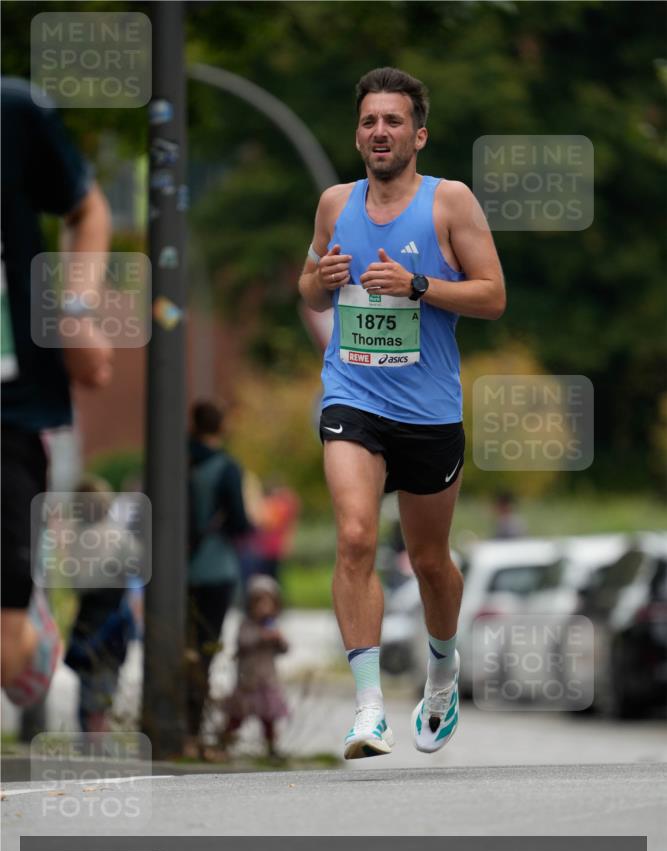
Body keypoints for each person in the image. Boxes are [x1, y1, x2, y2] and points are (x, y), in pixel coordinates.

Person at [298, 67, 505, 759]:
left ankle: (441, 674)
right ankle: (367, 711)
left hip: (428, 409)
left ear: (417, 134)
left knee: (428, 559)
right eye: (368, 122)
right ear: (356, 135)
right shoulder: (334, 204)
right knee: (355, 537)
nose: (378, 131)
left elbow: (491, 296)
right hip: (352, 395)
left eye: (391, 121)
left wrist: (418, 284)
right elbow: (309, 285)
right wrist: (320, 282)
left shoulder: (449, 202)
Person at [1, 77, 113, 706]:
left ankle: (27, 617)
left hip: (11, 408)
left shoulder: (15, 114)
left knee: (7, 654)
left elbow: (86, 207)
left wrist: (74, 312)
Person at [186, 400, 252, 756]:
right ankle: (193, 731)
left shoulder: (174, 459)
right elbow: (239, 522)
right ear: (220, 427)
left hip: (174, 570)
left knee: (180, 646)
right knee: (205, 649)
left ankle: (174, 727)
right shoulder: (226, 468)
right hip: (214, 567)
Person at [62, 477, 138, 732]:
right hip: (106, 614)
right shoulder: (109, 533)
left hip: (98, 614)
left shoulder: (77, 533)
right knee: (100, 678)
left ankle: (93, 732)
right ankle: (95, 733)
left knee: (94, 679)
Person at [220, 575, 289, 760]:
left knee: (268, 719)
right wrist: (261, 637)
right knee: (237, 716)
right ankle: (223, 743)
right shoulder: (247, 625)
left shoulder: (273, 626)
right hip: (248, 681)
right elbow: (242, 642)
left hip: (267, 681)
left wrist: (278, 639)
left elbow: (284, 649)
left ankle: (271, 747)